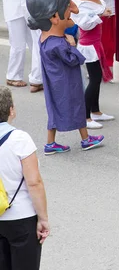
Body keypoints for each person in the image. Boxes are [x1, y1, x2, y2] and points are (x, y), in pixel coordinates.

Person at [26, 0, 105, 153]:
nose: (74, 10)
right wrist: (72, 45)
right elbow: (74, 60)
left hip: (54, 85)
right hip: (67, 84)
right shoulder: (59, 44)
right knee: (77, 108)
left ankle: (51, 143)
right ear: (54, 17)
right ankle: (85, 140)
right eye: (68, 6)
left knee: (53, 113)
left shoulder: (45, 39)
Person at [56, 0, 114, 129]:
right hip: (88, 46)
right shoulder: (77, 3)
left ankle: (96, 110)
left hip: (96, 45)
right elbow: (84, 23)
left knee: (97, 78)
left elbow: (104, 8)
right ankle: (86, 116)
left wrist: (103, 13)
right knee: (95, 79)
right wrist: (100, 16)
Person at [0, 86, 49, 270]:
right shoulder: (20, 139)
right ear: (11, 110)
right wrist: (43, 218)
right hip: (21, 217)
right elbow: (34, 182)